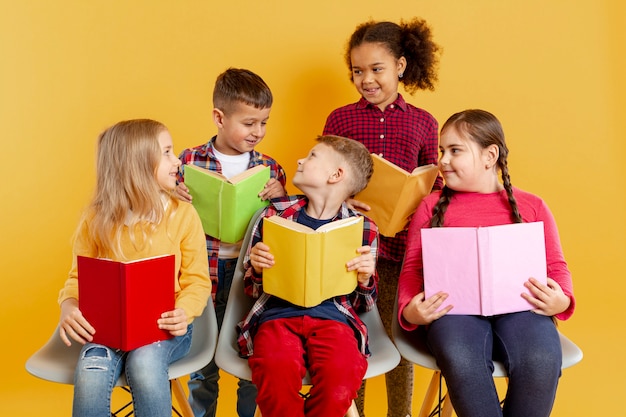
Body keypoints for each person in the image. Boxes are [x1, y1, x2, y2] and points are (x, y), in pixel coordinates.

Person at [398, 109, 576, 417]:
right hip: (454, 314)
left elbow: (556, 264)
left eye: (455, 151)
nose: (443, 160)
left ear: (489, 155)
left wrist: (561, 299)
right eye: (442, 150)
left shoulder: (532, 205)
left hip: (523, 310)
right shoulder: (430, 207)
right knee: (461, 357)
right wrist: (410, 310)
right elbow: (413, 268)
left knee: (542, 359)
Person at [322, 17, 442, 417]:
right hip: (349, 244)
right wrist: (342, 197)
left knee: (396, 338)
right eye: (358, 71)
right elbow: (323, 175)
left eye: (377, 69)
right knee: (347, 336)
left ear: (401, 67)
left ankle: (399, 413)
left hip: (399, 248)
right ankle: (348, 410)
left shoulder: (424, 122)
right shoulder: (340, 120)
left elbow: (435, 183)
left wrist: (417, 202)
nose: (366, 79)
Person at [57, 119, 213, 417]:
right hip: (106, 331)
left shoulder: (183, 215)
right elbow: (78, 277)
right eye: (166, 152)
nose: (177, 160)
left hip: (165, 329)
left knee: (144, 363)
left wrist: (184, 312)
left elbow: (197, 281)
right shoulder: (95, 219)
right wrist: (68, 304)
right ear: (138, 167)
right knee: (91, 369)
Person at [237, 135, 378, 417]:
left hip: (334, 319)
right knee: (274, 371)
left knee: (342, 374)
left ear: (336, 175)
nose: (301, 160)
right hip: (277, 316)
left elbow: (365, 305)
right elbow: (250, 288)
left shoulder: (363, 228)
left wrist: (365, 280)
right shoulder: (273, 214)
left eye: (312, 156)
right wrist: (258, 268)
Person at [175, 67, 287, 417]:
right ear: (219, 118)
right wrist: (172, 195)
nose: (258, 132)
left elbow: (287, 223)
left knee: (250, 358)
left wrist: (281, 196)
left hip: (250, 277)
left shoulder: (269, 168)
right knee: (202, 364)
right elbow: (166, 216)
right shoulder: (187, 161)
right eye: (249, 123)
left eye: (264, 123)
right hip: (202, 273)